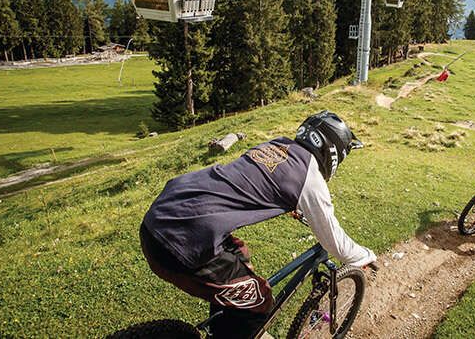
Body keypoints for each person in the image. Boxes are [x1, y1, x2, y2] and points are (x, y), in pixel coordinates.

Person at [139, 111, 377, 338]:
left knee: (239, 253)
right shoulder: (311, 179)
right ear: (334, 153)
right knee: (260, 302)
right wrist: (365, 255)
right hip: (181, 240)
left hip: (165, 212)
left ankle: (227, 314)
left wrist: (293, 205)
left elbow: (261, 180)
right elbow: (335, 242)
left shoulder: (277, 145)